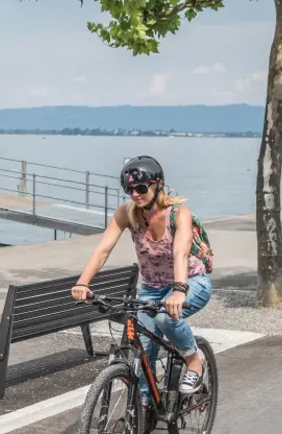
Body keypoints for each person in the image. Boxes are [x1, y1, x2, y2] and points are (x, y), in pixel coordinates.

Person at [71, 156, 214, 398]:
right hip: (151, 288)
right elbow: (103, 250)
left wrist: (179, 290)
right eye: (129, 190)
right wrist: (83, 283)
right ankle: (142, 416)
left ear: (157, 185)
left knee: (166, 318)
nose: (135, 194)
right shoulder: (127, 214)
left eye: (140, 188)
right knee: (144, 354)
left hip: (191, 281)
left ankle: (193, 360)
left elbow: (180, 253)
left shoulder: (179, 213)